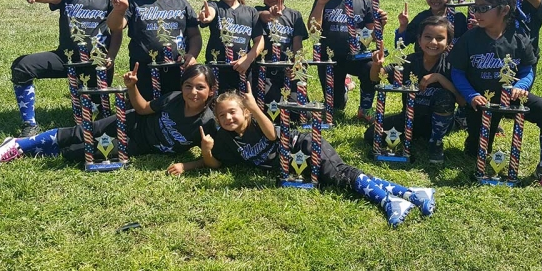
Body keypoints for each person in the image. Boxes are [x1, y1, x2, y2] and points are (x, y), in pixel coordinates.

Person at [172, 83, 436, 228]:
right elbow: (216, 164)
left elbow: (273, 136)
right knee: (340, 176)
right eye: (221, 115)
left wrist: (254, 105)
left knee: (340, 175)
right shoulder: (226, 140)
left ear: (246, 113)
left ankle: (390, 201)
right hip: (293, 168)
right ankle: (412, 194)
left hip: (304, 145)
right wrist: (196, 158)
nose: (228, 118)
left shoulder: (257, 123)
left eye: (233, 112)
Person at [0, 64, 218, 174]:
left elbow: (211, 160)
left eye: (200, 87)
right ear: (182, 87)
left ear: (210, 91)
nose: (193, 92)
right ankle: (19, 144)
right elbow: (143, 108)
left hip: (137, 144)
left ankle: (30, 151)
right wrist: (132, 87)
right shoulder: (174, 98)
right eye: (188, 86)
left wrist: (185, 165)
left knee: (86, 151)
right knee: (82, 132)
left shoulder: (208, 122)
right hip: (131, 122)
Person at [449, 0, 542, 191]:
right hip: (482, 103)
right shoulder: (470, 38)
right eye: (476, 7)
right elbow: (457, 72)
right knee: (476, 152)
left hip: (512, 97)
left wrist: (521, 85)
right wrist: (471, 95)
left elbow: (527, 68)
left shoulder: (518, 37)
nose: (477, 13)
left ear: (504, 10)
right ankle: (474, 140)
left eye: (484, 8)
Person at [12, 0, 122, 137]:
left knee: (92, 118)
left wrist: (111, 56)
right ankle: (29, 124)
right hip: (66, 58)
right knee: (22, 66)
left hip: (95, 64)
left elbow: (117, 31)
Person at [365, 16, 464, 164]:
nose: (433, 42)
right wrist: (376, 64)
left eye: (439, 38)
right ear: (419, 40)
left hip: (437, 123)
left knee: (444, 96)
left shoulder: (451, 65)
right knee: (371, 135)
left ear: (449, 43)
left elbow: (462, 101)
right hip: (410, 119)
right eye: (428, 37)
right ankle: (409, 136)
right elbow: (376, 78)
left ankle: (436, 142)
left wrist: (439, 78)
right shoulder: (409, 61)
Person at [107, 0, 202, 101]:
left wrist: (192, 54)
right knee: (144, 108)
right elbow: (116, 26)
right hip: (144, 69)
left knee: (176, 104)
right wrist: (119, 10)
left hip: (177, 68)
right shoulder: (133, 2)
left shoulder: (180, 3)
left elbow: (194, 35)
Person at [308, 0, 388, 122]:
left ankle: (365, 108)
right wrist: (321, 3)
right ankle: (343, 87)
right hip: (330, 58)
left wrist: (380, 26)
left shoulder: (364, 1)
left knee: (370, 68)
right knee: (337, 106)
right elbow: (313, 31)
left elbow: (371, 36)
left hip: (357, 56)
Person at [199, 0, 265, 94]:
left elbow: (260, 41)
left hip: (242, 70)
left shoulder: (251, 12)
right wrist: (207, 16)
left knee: (242, 108)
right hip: (217, 71)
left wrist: (248, 58)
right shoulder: (215, 6)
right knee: (216, 107)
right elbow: (209, 11)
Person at [253, 0, 309, 121]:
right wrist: (270, 15)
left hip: (287, 71)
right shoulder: (255, 12)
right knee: (273, 112)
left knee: (302, 114)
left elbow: (297, 45)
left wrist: (296, 67)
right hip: (264, 74)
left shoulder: (294, 16)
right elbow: (262, 16)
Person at [395, 0, 467, 53]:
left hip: (453, 64)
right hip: (424, 63)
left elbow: (469, 44)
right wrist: (403, 26)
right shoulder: (422, 19)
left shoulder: (459, 19)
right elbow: (400, 46)